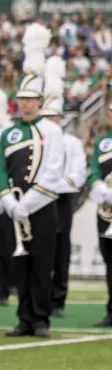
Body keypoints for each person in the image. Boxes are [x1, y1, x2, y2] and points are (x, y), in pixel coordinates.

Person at [0, 24, 67, 338]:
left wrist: (26, 203)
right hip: (16, 209)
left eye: (31, 99)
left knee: (41, 265)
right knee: (20, 265)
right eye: (22, 99)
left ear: (40, 101)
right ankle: (23, 317)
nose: (26, 104)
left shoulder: (52, 131)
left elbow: (52, 173)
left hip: (40, 208)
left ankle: (40, 318)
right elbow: (2, 170)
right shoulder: (8, 133)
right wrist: (9, 202)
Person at [40, 67, 87, 318]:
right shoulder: (39, 140)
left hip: (60, 197)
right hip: (40, 198)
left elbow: (78, 174)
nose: (50, 121)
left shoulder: (72, 143)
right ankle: (39, 296)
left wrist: (52, 185)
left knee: (61, 247)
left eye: (53, 116)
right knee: (40, 246)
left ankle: (58, 298)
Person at [85, 94, 112, 328]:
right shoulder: (102, 142)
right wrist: (102, 188)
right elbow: (94, 171)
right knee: (110, 261)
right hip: (107, 212)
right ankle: (111, 310)